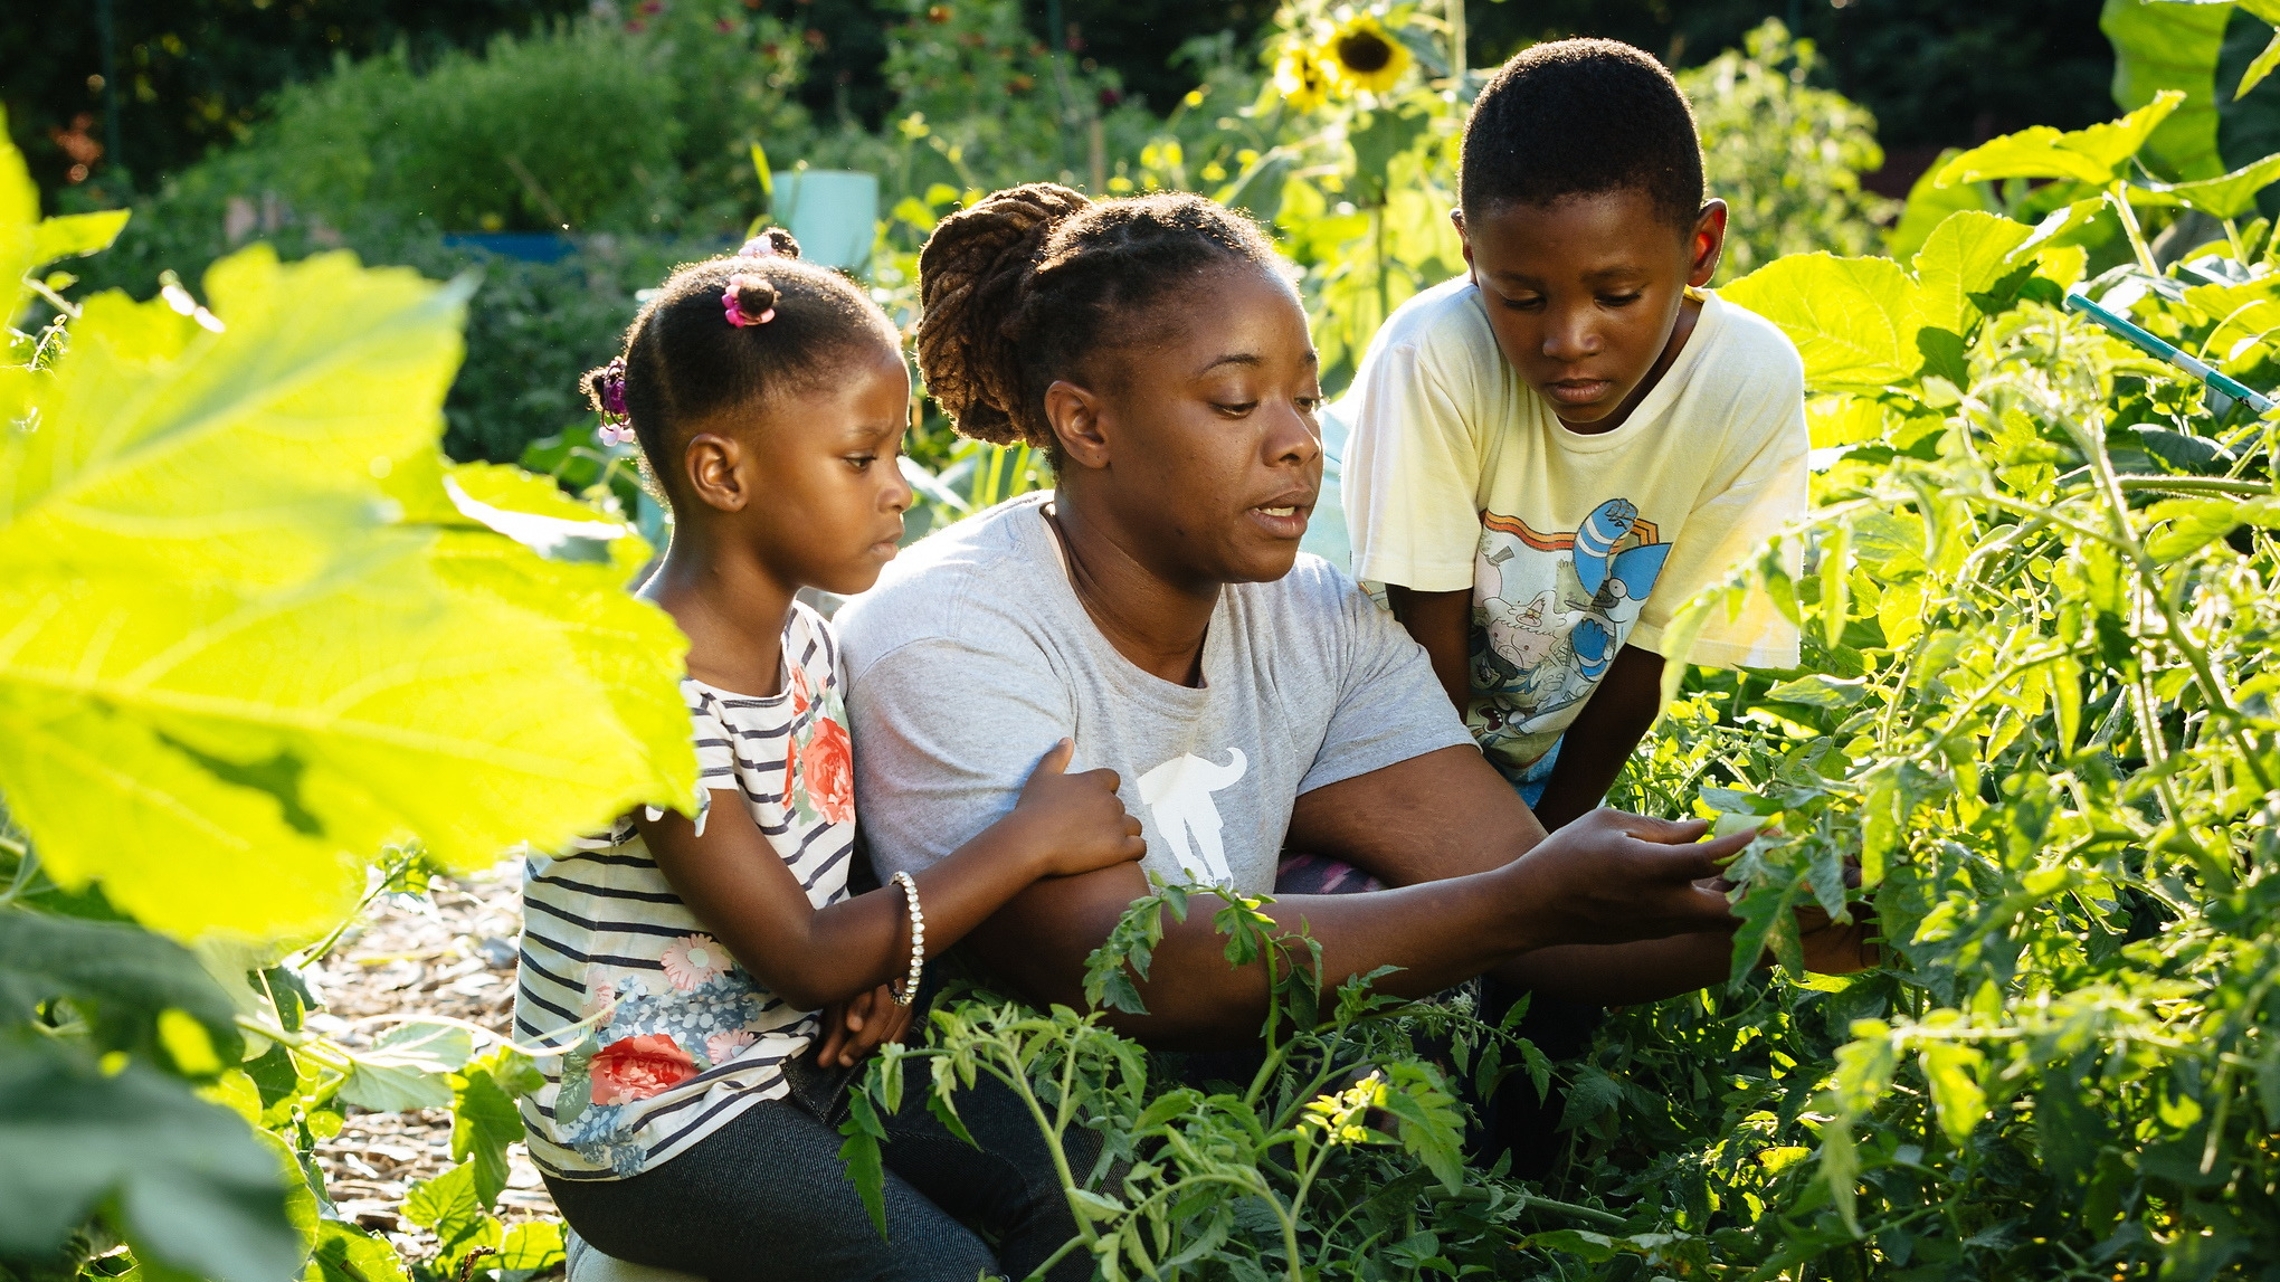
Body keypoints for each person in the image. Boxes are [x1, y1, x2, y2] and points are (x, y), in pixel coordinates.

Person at [836, 185, 1868, 1054]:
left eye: (1308, 398)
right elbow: (1128, 969)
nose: (1296, 445)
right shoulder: (949, 634)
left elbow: (1538, 909)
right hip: (1013, 1156)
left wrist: (1793, 909)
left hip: (1223, 1156)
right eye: (1239, 405)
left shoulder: (1310, 618)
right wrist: (1530, 901)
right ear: (1086, 423)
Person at [513, 230, 1147, 1282]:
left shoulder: (805, 639)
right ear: (721, 471)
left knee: (1082, 1181)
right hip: (658, 1129)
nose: (899, 487)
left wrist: (889, 971)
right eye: (861, 459)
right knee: (947, 1273)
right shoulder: (645, 694)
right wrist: (1030, 839)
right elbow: (801, 951)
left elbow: (824, 866)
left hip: (800, 1056)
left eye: (895, 453)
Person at [1342, 38, 1811, 832]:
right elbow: (1424, 650)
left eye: (1618, 294)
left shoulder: (1746, 383)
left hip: (1511, 771)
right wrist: (1520, 879)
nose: (1566, 340)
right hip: (1360, 731)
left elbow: (1652, 650)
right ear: (1468, 250)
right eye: (1521, 299)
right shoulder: (1434, 355)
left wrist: (1557, 838)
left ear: (1700, 249)